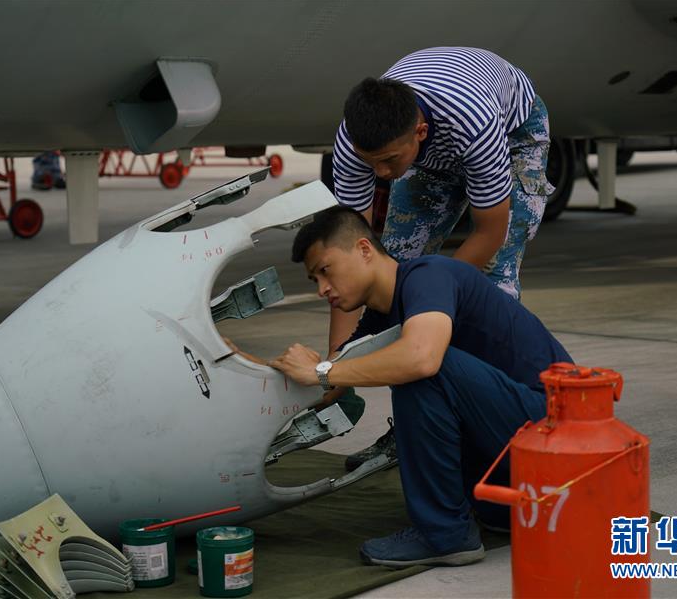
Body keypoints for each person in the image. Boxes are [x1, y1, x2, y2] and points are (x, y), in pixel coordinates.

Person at [232, 206, 572, 567]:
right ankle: (487, 511)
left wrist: (321, 371)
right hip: (517, 462)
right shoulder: (381, 318)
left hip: (560, 436)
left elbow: (421, 359)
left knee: (418, 366)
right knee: (407, 362)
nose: (321, 289)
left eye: (325, 270)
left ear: (364, 249)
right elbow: (327, 388)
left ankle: (445, 535)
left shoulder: (428, 275)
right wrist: (239, 361)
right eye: (314, 279)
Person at [329, 47, 556, 470]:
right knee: (391, 271)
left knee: (490, 288)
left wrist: (424, 300)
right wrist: (335, 369)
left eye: (388, 162)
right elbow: (352, 262)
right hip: (432, 152)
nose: (381, 174)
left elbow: (489, 233)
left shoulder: (473, 122)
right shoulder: (356, 142)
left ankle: (495, 434)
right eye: (370, 163)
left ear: (418, 131)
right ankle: (412, 431)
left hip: (512, 136)